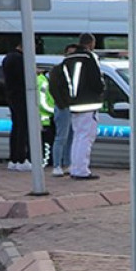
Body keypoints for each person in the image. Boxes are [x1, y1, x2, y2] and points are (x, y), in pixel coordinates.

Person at [50, 32, 104, 180]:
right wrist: (101, 90)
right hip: (89, 103)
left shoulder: (68, 60)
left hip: (74, 104)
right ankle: (81, 170)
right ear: (91, 43)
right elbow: (96, 81)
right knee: (86, 137)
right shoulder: (90, 57)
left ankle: (75, 167)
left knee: (77, 137)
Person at [48, 43, 78, 176]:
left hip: (75, 107)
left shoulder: (77, 70)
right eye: (69, 54)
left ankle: (68, 163)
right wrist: (62, 104)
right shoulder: (57, 70)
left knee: (72, 137)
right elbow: (53, 88)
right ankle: (57, 165)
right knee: (61, 137)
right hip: (63, 108)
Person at [2, 40, 31, 171]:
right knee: (22, 128)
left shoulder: (7, 57)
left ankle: (13, 159)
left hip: (11, 96)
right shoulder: (20, 59)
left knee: (16, 127)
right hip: (21, 96)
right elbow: (24, 78)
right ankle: (21, 159)